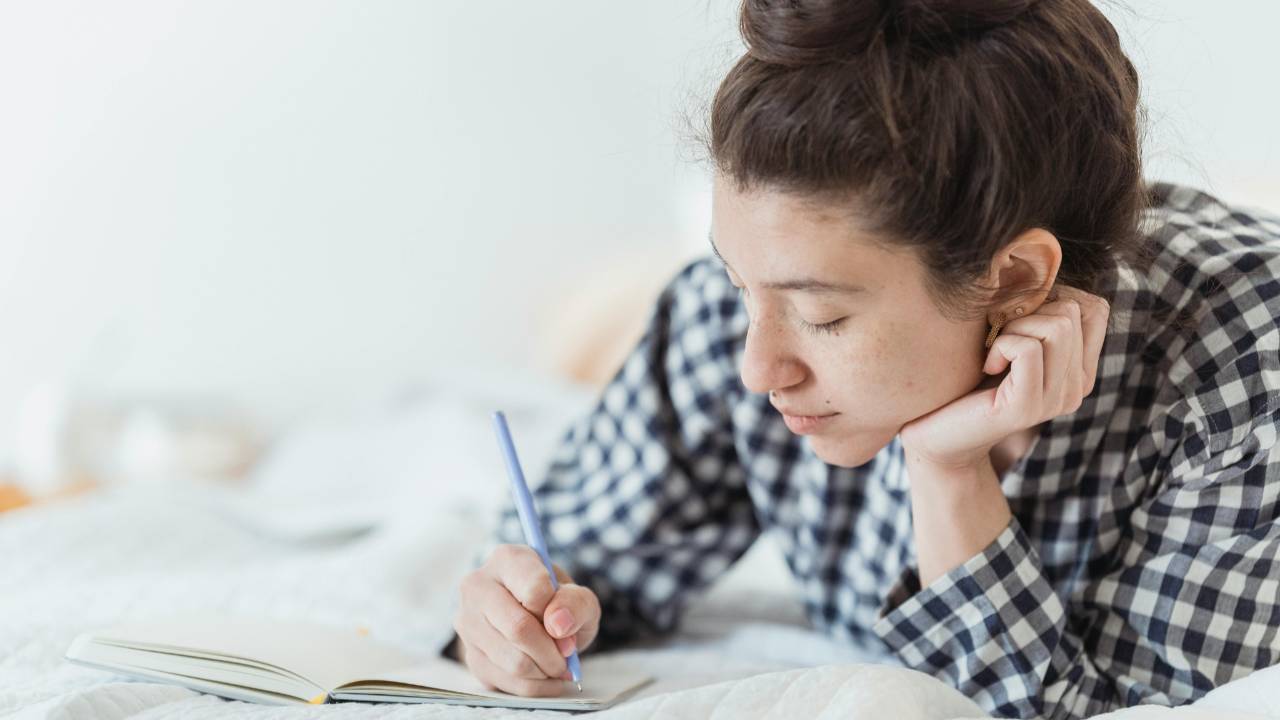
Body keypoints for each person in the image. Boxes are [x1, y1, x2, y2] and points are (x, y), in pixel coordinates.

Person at [446, 1, 1280, 718]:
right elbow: (578, 558)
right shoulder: (727, 318)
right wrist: (515, 616)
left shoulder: (1245, 380)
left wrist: (949, 475)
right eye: (739, 283)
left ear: (1018, 280)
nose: (755, 366)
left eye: (823, 316)